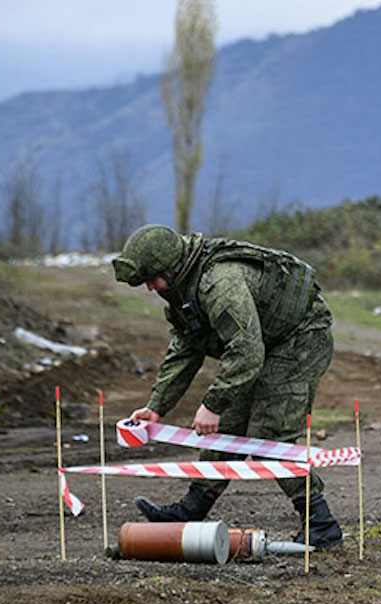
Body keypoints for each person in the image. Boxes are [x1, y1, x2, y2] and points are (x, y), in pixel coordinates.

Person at [112, 224, 344, 549]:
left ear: (173, 268)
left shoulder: (220, 283)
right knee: (229, 431)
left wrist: (214, 403)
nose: (150, 287)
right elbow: (185, 349)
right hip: (265, 342)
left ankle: (322, 525)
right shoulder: (182, 292)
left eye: (153, 278)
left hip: (300, 338)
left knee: (271, 433)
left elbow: (246, 351)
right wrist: (156, 406)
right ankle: (191, 510)